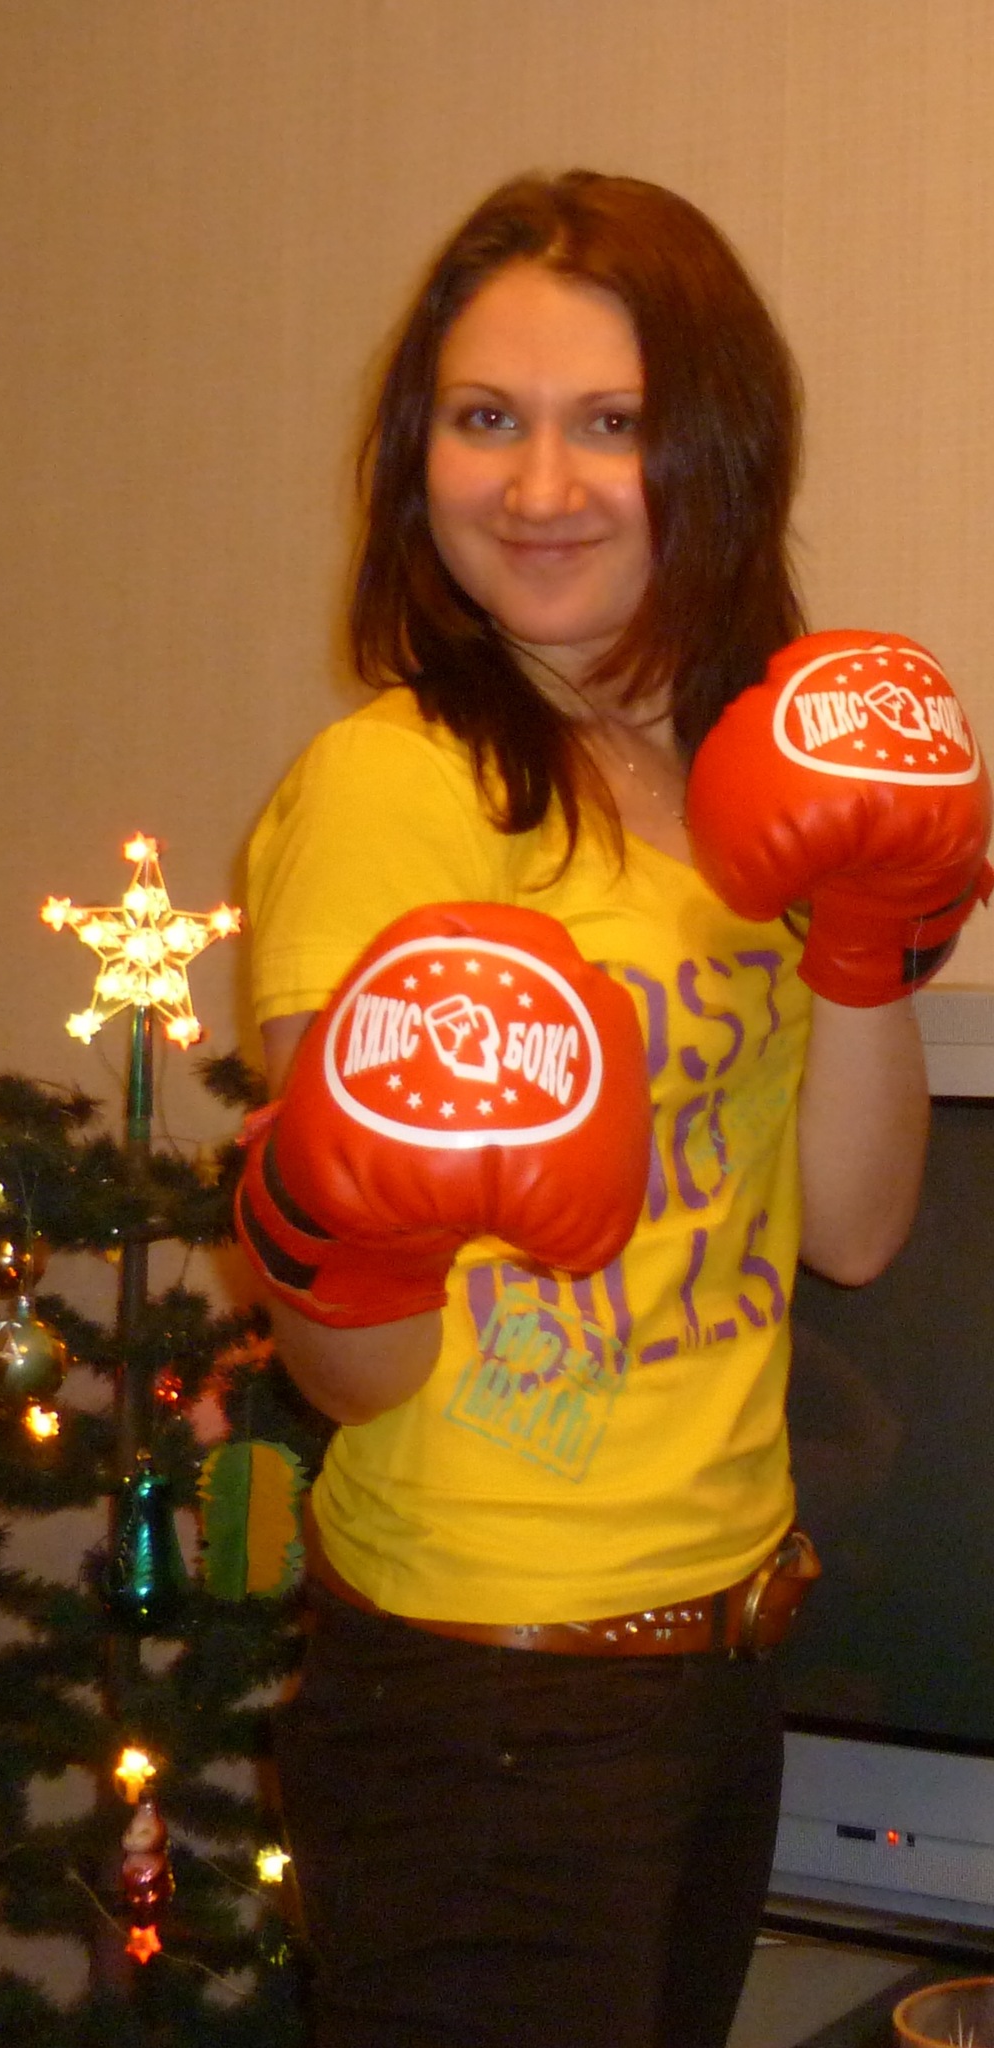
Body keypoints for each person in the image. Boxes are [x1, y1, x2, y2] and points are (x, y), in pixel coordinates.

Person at [235, 170, 988, 2048]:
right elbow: (355, 1378)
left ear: (716, 449)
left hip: (723, 1656)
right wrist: (338, 1230)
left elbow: (854, 1229)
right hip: (484, 1693)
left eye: (613, 423)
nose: (541, 486)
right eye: (487, 419)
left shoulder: (759, 776)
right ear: (417, 456)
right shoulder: (393, 787)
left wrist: (871, 935)